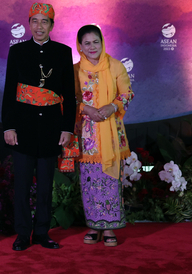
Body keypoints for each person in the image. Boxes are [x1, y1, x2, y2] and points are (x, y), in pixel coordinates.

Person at [2, 3, 76, 251]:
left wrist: (67, 128)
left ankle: (42, 232)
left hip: (52, 129)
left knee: (45, 186)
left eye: (45, 21)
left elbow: (69, 94)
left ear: (52, 25)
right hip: (22, 127)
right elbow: (10, 89)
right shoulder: (18, 51)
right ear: (29, 24)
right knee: (21, 186)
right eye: (35, 20)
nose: (39, 25)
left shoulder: (63, 52)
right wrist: (8, 126)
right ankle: (23, 234)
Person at [73, 24, 134, 247]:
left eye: (95, 42)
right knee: (90, 182)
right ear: (79, 46)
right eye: (86, 43)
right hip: (87, 137)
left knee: (110, 181)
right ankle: (93, 225)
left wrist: (113, 106)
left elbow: (127, 93)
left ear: (102, 42)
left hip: (111, 134)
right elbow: (72, 98)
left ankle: (109, 227)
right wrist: (85, 109)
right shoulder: (75, 70)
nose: (91, 47)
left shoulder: (115, 66)